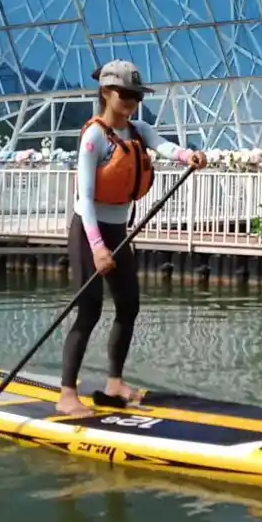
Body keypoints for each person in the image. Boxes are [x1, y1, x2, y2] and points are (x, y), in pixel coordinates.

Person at [57, 59, 207, 416]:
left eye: (137, 96)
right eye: (125, 94)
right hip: (89, 232)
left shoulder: (138, 130)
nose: (131, 102)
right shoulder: (94, 136)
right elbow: (84, 199)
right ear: (106, 93)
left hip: (118, 231)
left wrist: (190, 155)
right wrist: (98, 248)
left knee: (129, 306)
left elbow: (166, 147)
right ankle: (66, 394)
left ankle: (115, 383)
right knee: (89, 310)